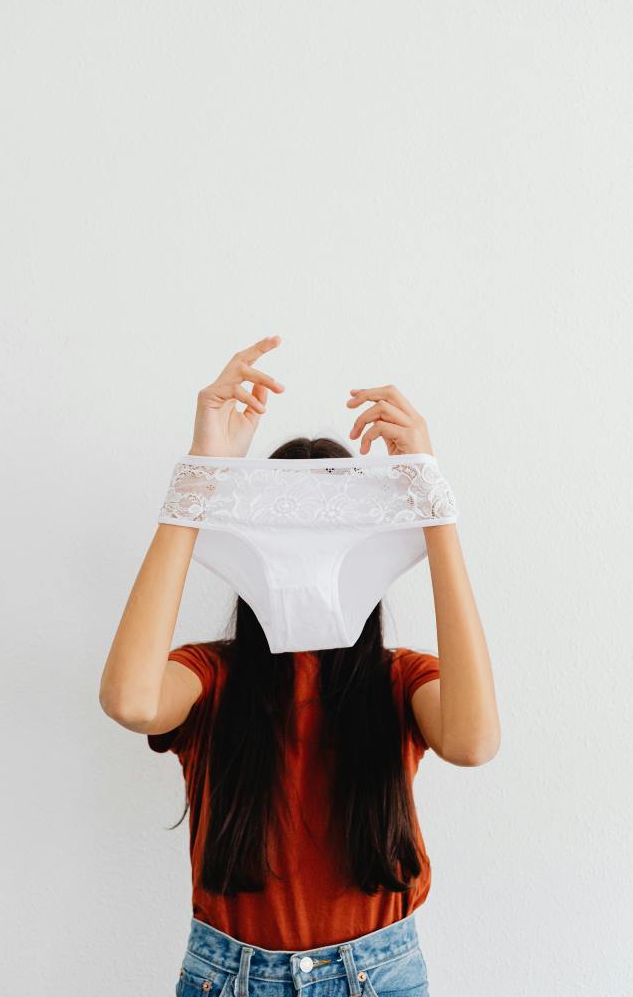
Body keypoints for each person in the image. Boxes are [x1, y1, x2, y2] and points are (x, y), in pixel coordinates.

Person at [99, 334, 501, 997]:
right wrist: (200, 478)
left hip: (378, 975)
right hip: (229, 976)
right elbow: (130, 700)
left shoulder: (398, 679)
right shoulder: (212, 676)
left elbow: (473, 742)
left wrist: (432, 504)